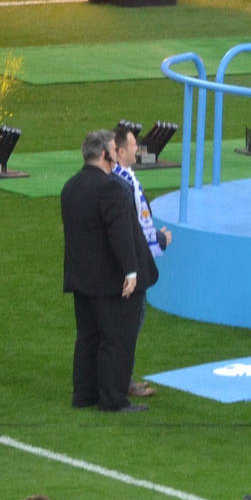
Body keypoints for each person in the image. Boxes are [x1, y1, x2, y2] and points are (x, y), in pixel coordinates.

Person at [61, 129, 153, 413]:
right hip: (111, 280)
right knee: (117, 339)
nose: (117, 154)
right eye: (114, 149)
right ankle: (113, 399)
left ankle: (85, 394)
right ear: (104, 154)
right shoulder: (110, 188)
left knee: (88, 337)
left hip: (81, 276)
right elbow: (120, 233)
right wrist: (131, 271)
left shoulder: (71, 186)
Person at [109, 123, 168, 401]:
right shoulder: (120, 182)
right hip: (131, 264)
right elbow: (131, 225)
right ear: (119, 151)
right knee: (129, 324)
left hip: (137, 259)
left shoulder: (127, 177)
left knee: (132, 323)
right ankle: (123, 381)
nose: (137, 149)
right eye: (133, 145)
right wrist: (158, 240)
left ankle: (124, 378)